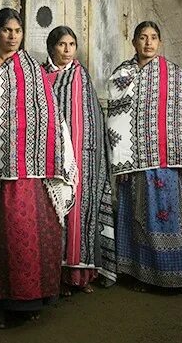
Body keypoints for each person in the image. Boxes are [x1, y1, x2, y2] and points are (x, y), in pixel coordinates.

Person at [0, 8, 76, 329]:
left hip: (30, 167)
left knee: (29, 231)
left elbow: (49, 113)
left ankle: (30, 299)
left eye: (18, 30)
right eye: (6, 30)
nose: (13, 36)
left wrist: (51, 155)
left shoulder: (31, 68)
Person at [106, 20, 182, 296]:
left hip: (169, 163)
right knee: (140, 218)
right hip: (135, 164)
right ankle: (144, 276)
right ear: (133, 42)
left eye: (154, 37)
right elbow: (116, 117)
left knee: (174, 216)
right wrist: (122, 158)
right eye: (142, 37)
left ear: (160, 42)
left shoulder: (175, 76)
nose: (148, 43)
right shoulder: (122, 76)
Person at [42, 26, 116, 294]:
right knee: (55, 213)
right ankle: (57, 276)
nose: (67, 50)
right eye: (62, 44)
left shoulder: (80, 75)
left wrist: (92, 154)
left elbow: (92, 116)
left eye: (72, 44)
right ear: (52, 47)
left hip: (84, 158)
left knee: (81, 215)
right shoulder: (41, 76)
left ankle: (81, 275)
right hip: (54, 158)